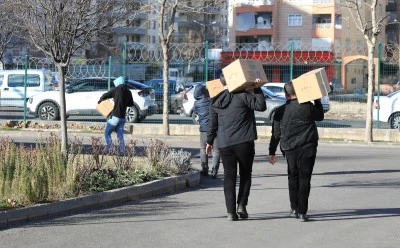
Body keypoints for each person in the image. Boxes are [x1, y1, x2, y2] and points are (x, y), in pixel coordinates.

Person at [206, 74, 267, 221]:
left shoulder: (216, 99)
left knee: (229, 176)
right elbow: (261, 106)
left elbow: (212, 124)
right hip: (244, 142)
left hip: (225, 144)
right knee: (245, 175)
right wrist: (258, 89)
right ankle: (242, 206)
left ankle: (230, 212)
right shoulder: (242, 95)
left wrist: (209, 142)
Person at [268, 81, 324, 222]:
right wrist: (317, 100)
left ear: (286, 94)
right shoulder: (307, 107)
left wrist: (272, 151)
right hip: (307, 147)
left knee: (293, 177)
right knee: (305, 179)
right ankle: (302, 212)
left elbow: (276, 133)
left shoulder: (280, 111)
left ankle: (294, 208)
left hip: (289, 149)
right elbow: (320, 116)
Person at [98, 76, 134, 154]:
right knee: (120, 135)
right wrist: (124, 102)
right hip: (123, 118)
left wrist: (100, 101)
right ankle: (122, 151)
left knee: (107, 133)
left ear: (118, 83)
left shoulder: (116, 90)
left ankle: (111, 149)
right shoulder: (128, 91)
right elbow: (131, 104)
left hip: (115, 117)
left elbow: (105, 95)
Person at [193, 84, 220, 179]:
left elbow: (196, 114)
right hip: (216, 129)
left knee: (203, 149)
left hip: (204, 129)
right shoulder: (212, 100)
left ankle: (205, 170)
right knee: (216, 150)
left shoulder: (197, 103)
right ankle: (214, 171)